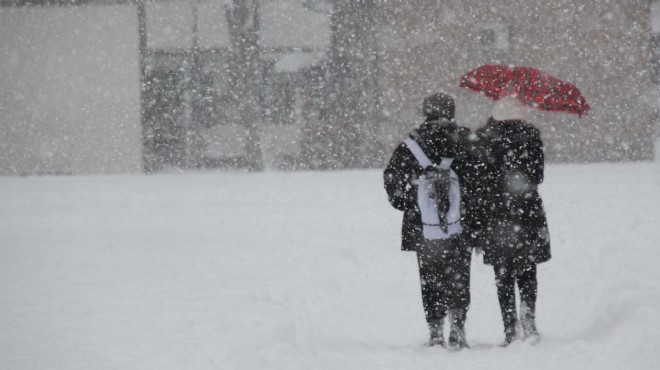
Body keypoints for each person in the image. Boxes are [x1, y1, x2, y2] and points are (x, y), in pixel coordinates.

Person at [383, 92, 482, 350]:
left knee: (430, 276)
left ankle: (435, 329)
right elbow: (482, 181)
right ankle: (457, 327)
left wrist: (410, 202)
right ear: (452, 112)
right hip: (460, 223)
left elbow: (392, 178)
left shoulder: (412, 143)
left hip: (422, 226)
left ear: (426, 112)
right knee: (459, 273)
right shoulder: (465, 139)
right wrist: (467, 208)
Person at [475, 98, 552, 346]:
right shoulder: (530, 136)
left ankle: (509, 327)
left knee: (503, 273)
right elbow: (538, 175)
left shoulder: (483, 137)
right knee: (528, 270)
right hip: (526, 211)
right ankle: (528, 318)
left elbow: (479, 180)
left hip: (496, 214)